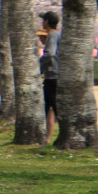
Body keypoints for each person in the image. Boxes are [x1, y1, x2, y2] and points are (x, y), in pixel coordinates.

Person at [39, 11, 60, 144]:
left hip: (52, 77)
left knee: (49, 106)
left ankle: (45, 138)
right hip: (57, 75)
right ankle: (46, 138)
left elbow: (49, 54)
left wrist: (38, 66)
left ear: (46, 21)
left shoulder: (52, 35)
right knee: (52, 106)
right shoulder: (58, 35)